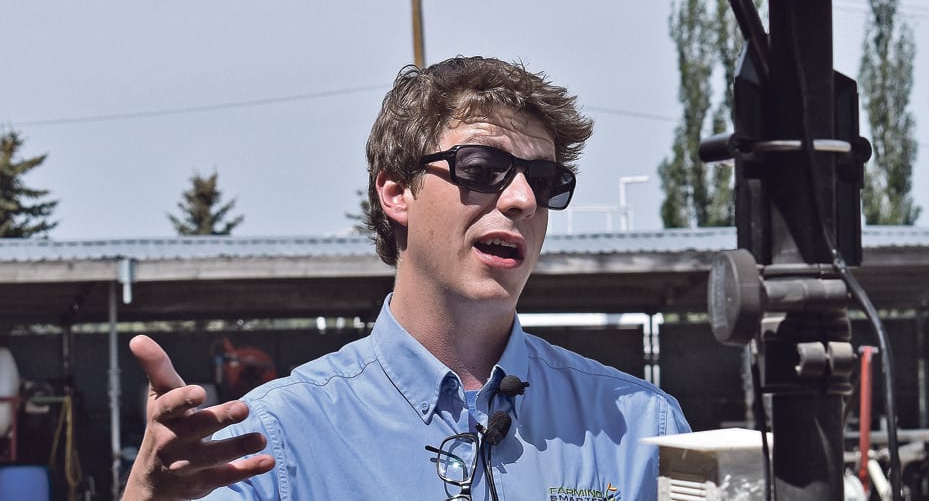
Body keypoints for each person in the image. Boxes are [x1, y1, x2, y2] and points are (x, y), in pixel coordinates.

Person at [123, 56, 689, 501]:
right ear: (396, 193)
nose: (521, 199)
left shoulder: (642, 428)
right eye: (483, 169)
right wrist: (146, 496)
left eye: (545, 182)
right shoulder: (276, 437)